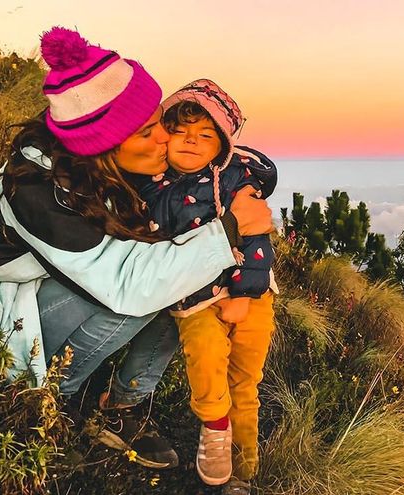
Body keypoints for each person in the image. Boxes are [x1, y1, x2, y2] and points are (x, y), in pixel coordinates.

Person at [0, 27, 273, 470]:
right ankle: (48, 405)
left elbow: (221, 164)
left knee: (178, 275)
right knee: (155, 284)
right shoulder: (39, 192)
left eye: (160, 122)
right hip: (15, 315)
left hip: (67, 288)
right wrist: (229, 231)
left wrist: (245, 181)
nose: (167, 139)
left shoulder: (109, 165)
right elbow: (127, 284)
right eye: (150, 132)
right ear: (107, 143)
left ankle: (121, 408)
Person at [130, 79, 276, 492]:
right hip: (192, 299)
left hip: (250, 295)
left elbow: (257, 237)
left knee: (246, 378)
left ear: (222, 145)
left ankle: (245, 462)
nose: (192, 141)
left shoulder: (233, 183)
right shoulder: (151, 184)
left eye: (206, 135)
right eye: (181, 131)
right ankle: (215, 430)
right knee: (207, 362)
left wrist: (245, 295)